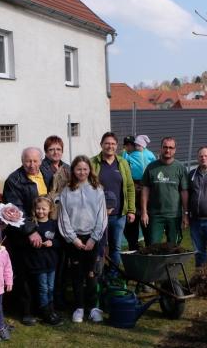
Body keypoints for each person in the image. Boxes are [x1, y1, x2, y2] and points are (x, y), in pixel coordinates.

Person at [1, 146, 48, 326]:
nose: (32, 164)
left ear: (41, 161)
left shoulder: (46, 173)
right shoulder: (14, 180)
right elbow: (15, 209)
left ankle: (44, 306)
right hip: (23, 233)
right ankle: (26, 311)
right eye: (28, 161)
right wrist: (30, 230)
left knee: (43, 270)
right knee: (25, 274)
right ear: (22, 161)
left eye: (35, 161)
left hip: (45, 229)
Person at [57, 155, 108, 324]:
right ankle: (79, 307)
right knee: (77, 275)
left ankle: (93, 308)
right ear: (73, 170)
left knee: (91, 274)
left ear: (89, 170)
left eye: (85, 169)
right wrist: (73, 239)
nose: (82, 172)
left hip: (92, 238)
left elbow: (102, 216)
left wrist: (94, 238)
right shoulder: (66, 191)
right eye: (78, 169)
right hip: (75, 239)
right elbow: (63, 217)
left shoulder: (97, 189)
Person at [89, 132, 135, 271]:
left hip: (119, 214)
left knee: (116, 246)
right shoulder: (92, 163)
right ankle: (99, 274)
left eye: (113, 144)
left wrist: (131, 210)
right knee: (99, 246)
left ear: (117, 146)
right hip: (98, 215)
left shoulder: (122, 162)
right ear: (101, 145)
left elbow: (129, 186)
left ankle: (113, 275)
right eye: (107, 143)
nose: (110, 146)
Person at [41, 135, 71, 311]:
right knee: (52, 259)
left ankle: (60, 294)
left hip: (65, 216)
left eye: (58, 149)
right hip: (49, 217)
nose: (55, 152)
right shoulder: (42, 168)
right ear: (46, 151)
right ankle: (50, 298)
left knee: (64, 260)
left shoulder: (67, 168)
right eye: (52, 149)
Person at [140, 137, 189, 245]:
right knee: (152, 245)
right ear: (160, 149)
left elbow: (184, 191)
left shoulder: (180, 167)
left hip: (174, 215)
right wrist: (144, 212)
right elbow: (145, 189)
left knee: (173, 246)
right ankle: (156, 263)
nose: (167, 150)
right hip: (155, 215)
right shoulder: (151, 167)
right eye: (165, 147)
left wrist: (185, 214)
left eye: (171, 148)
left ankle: (171, 263)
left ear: (175, 150)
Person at [24, 196, 64, 326]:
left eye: (44, 209)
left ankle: (51, 310)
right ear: (34, 209)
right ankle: (45, 312)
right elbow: (26, 243)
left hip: (51, 263)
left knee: (51, 287)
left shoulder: (53, 224)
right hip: (38, 264)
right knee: (43, 288)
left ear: (50, 209)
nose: (41, 211)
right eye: (38, 208)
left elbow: (60, 241)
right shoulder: (32, 226)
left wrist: (51, 243)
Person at [122, 134, 157, 251]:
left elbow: (154, 165)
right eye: (126, 145)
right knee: (131, 224)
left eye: (131, 145)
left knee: (146, 222)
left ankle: (149, 247)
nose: (129, 147)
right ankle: (134, 246)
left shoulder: (148, 154)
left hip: (147, 188)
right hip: (132, 187)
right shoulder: (126, 156)